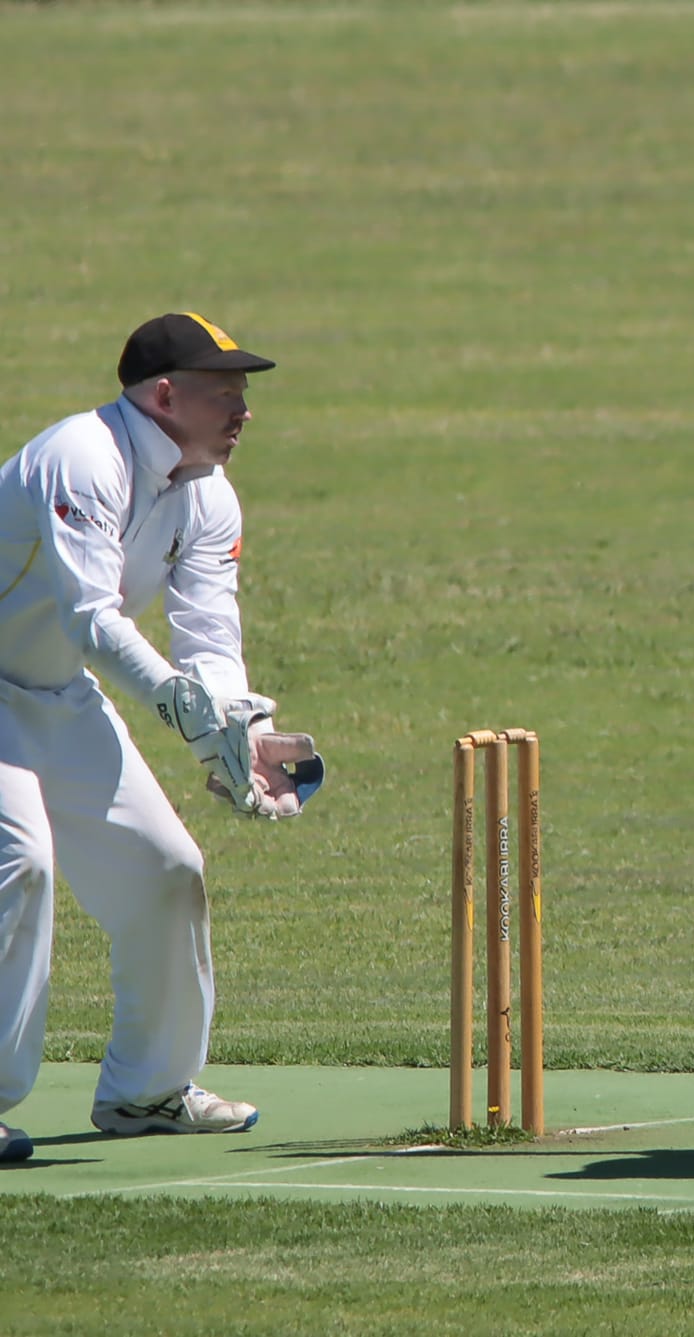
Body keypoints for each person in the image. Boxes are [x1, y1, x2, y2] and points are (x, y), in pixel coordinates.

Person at [0, 312, 324, 1164]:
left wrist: (238, 733)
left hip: (53, 693)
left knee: (168, 870)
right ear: (166, 394)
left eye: (245, 394)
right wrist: (181, 710)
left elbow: (210, 637)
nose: (243, 410)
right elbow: (91, 618)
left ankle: (149, 1090)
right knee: (21, 860)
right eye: (225, 393)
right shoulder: (83, 456)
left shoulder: (208, 494)